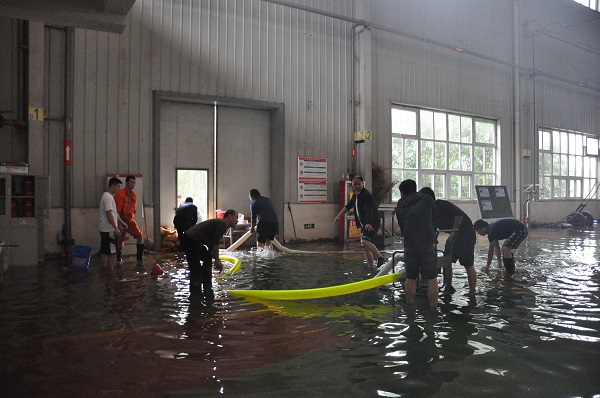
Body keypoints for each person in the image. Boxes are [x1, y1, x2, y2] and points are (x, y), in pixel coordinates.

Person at [419, 187, 477, 294]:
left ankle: (472, 292)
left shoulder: (442, 205)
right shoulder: (430, 211)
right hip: (453, 235)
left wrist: (454, 231)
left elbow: (459, 215)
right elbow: (434, 228)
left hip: (465, 234)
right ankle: (448, 286)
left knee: (468, 263)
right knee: (447, 260)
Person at [395, 179, 439, 308]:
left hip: (410, 244)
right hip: (427, 242)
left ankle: (410, 306)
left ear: (402, 192)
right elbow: (435, 215)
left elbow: (402, 226)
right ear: (415, 188)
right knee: (432, 277)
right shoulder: (426, 199)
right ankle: (433, 308)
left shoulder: (400, 205)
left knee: (410, 277)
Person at [180, 209, 239, 301]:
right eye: (236, 217)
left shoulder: (221, 224)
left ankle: (206, 285)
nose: (237, 220)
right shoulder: (222, 223)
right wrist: (218, 260)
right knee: (195, 267)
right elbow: (215, 243)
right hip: (190, 240)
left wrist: (214, 258)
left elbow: (211, 244)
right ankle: (196, 294)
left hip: (193, 240)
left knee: (207, 258)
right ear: (229, 216)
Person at [334, 175, 385, 269]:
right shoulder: (356, 195)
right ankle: (371, 267)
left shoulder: (366, 195)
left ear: (363, 183)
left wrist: (369, 223)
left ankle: (380, 257)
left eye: (358, 184)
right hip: (364, 224)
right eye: (354, 184)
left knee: (364, 241)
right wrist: (339, 216)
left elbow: (369, 210)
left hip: (371, 223)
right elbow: (347, 207)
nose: (356, 186)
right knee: (364, 247)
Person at [98, 177, 128, 270]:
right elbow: (109, 213)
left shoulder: (108, 197)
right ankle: (109, 272)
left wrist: (122, 222)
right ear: (113, 185)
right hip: (109, 229)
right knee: (113, 252)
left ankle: (103, 269)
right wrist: (115, 227)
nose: (119, 189)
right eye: (118, 187)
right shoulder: (107, 197)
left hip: (104, 229)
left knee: (105, 251)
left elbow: (114, 214)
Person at [114, 175, 144, 261]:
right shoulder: (120, 194)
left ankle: (139, 259)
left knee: (139, 236)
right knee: (120, 241)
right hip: (121, 221)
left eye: (134, 183)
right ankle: (119, 259)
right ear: (126, 183)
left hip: (130, 221)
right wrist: (119, 224)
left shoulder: (133, 195)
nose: (133, 184)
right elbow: (117, 211)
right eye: (131, 182)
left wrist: (131, 218)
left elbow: (134, 209)